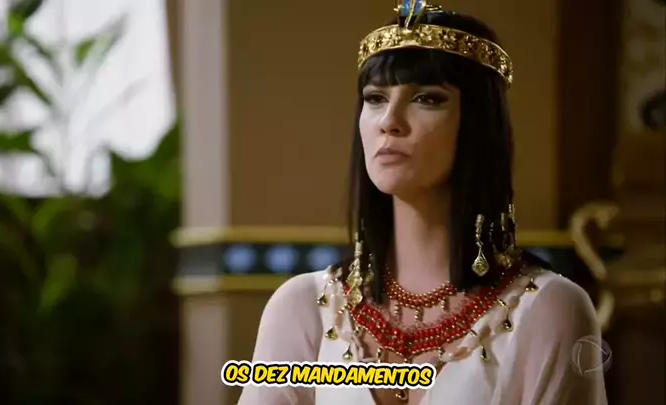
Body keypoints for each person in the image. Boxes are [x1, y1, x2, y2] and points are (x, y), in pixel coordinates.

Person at [238, 1, 608, 404]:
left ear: (477, 124)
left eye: (427, 99)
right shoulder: (303, 309)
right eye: (375, 98)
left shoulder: (549, 310)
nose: (389, 121)